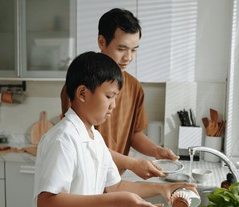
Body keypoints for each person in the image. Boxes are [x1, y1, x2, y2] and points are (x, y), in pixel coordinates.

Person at [23, 52, 197, 207]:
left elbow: (116, 186)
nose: (114, 105)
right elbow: (47, 204)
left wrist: (163, 188)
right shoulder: (63, 139)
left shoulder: (95, 137)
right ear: (82, 93)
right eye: (109, 96)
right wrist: (113, 201)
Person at [60, 8, 178, 180]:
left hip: (114, 176)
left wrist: (157, 151)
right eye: (122, 49)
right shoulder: (81, 85)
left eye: (134, 50)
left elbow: (135, 134)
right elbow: (80, 140)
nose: (128, 57)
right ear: (102, 41)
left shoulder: (134, 87)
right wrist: (131, 163)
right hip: (85, 175)